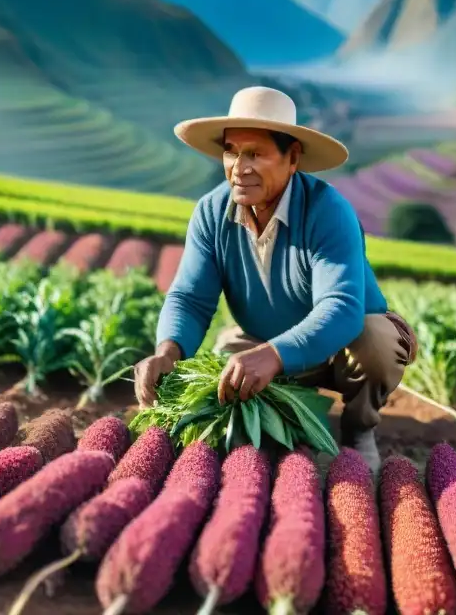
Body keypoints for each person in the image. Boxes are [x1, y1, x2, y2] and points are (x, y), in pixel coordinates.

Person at [133, 86, 416, 472]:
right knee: (225, 376)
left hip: (339, 348)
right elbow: (190, 297)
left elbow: (342, 309)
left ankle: (358, 430)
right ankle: (292, 411)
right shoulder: (211, 212)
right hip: (260, 344)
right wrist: (168, 351)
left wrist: (276, 355)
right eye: (231, 151)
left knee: (377, 343)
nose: (239, 167)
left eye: (256, 153)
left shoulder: (327, 211)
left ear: (292, 158)